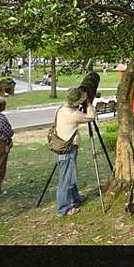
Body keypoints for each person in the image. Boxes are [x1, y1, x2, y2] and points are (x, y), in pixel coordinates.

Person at [54, 88, 96, 216]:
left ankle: (74, 199)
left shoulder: (61, 109)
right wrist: (88, 104)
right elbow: (91, 117)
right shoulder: (74, 114)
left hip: (61, 147)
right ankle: (64, 209)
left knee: (69, 175)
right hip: (68, 149)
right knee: (65, 180)